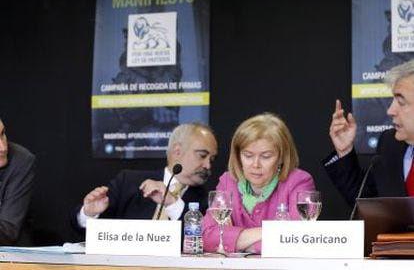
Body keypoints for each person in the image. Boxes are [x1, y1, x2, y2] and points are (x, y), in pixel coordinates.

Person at [202, 113, 315, 254]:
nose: (255, 164)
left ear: (281, 157)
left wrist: (238, 242)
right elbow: (206, 237)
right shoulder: (227, 182)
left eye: (266, 156)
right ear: (238, 156)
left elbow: (297, 239)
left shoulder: (299, 182)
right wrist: (270, 233)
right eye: (248, 155)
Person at [72, 122, 217, 232]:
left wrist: (173, 203)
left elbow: (204, 238)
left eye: (211, 159)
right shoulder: (128, 181)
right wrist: (89, 214)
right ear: (177, 151)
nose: (207, 165)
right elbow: (79, 226)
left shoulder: (209, 201)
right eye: (202, 155)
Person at [323, 59, 414, 206]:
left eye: (401, 102)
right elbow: (368, 204)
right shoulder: (390, 143)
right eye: (392, 100)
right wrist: (345, 151)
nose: (390, 111)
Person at [0, 118, 35, 245]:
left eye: (2, 134)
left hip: (9, 255)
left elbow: (9, 231)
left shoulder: (20, 160)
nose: (3, 147)